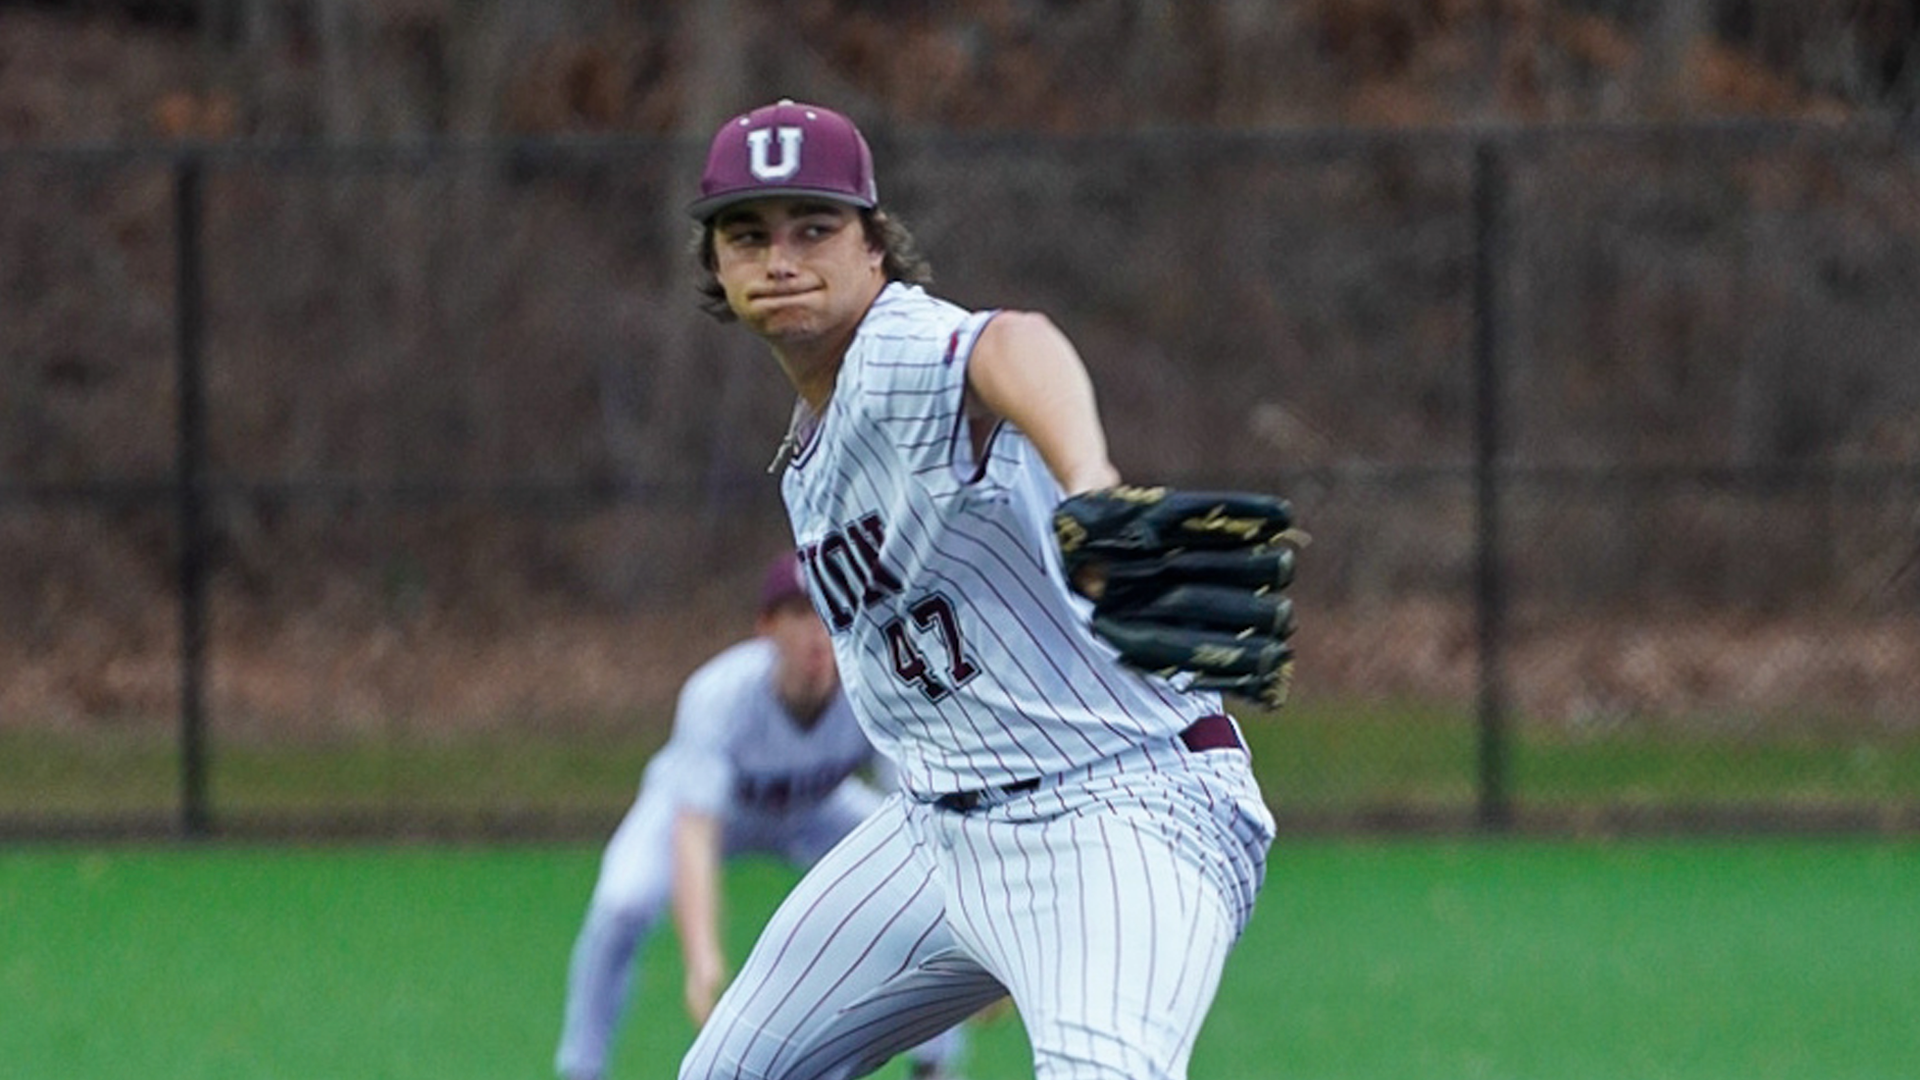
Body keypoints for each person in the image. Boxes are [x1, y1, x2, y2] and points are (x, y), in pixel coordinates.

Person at [677, 99, 1278, 1080]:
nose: (781, 258)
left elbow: (1014, 343)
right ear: (718, 266)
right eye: (749, 235)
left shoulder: (892, 351)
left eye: (815, 228)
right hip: (937, 829)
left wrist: (1092, 483)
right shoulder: (809, 453)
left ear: (875, 246)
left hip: (1123, 804)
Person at [555, 553, 967, 1080]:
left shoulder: (872, 688)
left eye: (825, 612)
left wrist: (971, 929)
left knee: (925, 878)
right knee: (621, 905)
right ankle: (581, 1069)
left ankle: (937, 1065)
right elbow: (695, 833)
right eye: (796, 614)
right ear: (766, 628)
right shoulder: (720, 694)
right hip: (696, 813)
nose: (815, 633)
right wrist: (703, 957)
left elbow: (926, 810)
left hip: (814, 812)